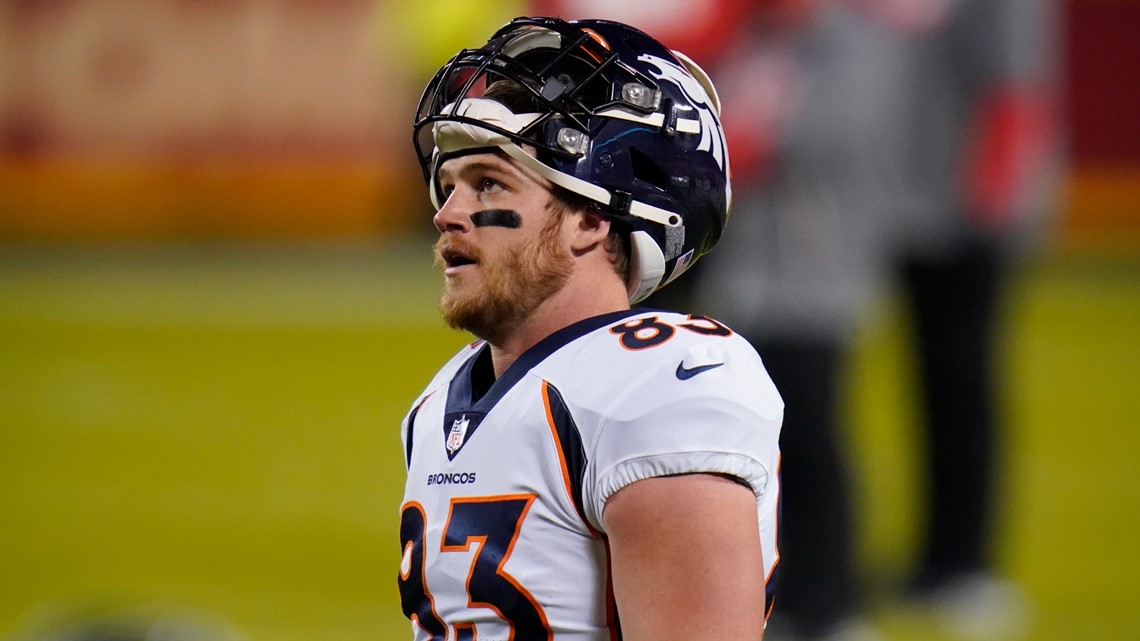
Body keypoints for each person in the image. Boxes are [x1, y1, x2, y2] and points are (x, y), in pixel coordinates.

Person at [397, 16, 783, 641]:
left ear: (589, 221)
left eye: (488, 183)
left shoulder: (656, 385)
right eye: (447, 186)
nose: (447, 215)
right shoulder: (443, 399)